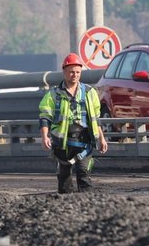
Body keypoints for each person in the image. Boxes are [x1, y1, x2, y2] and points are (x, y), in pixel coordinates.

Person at [38, 53, 108, 193]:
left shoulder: (89, 93)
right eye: (71, 72)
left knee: (84, 173)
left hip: (84, 140)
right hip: (62, 142)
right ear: (64, 71)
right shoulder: (53, 95)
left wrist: (101, 138)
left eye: (77, 72)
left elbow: (95, 118)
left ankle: (87, 206)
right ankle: (65, 208)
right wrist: (45, 136)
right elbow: (45, 117)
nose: (74, 75)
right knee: (64, 178)